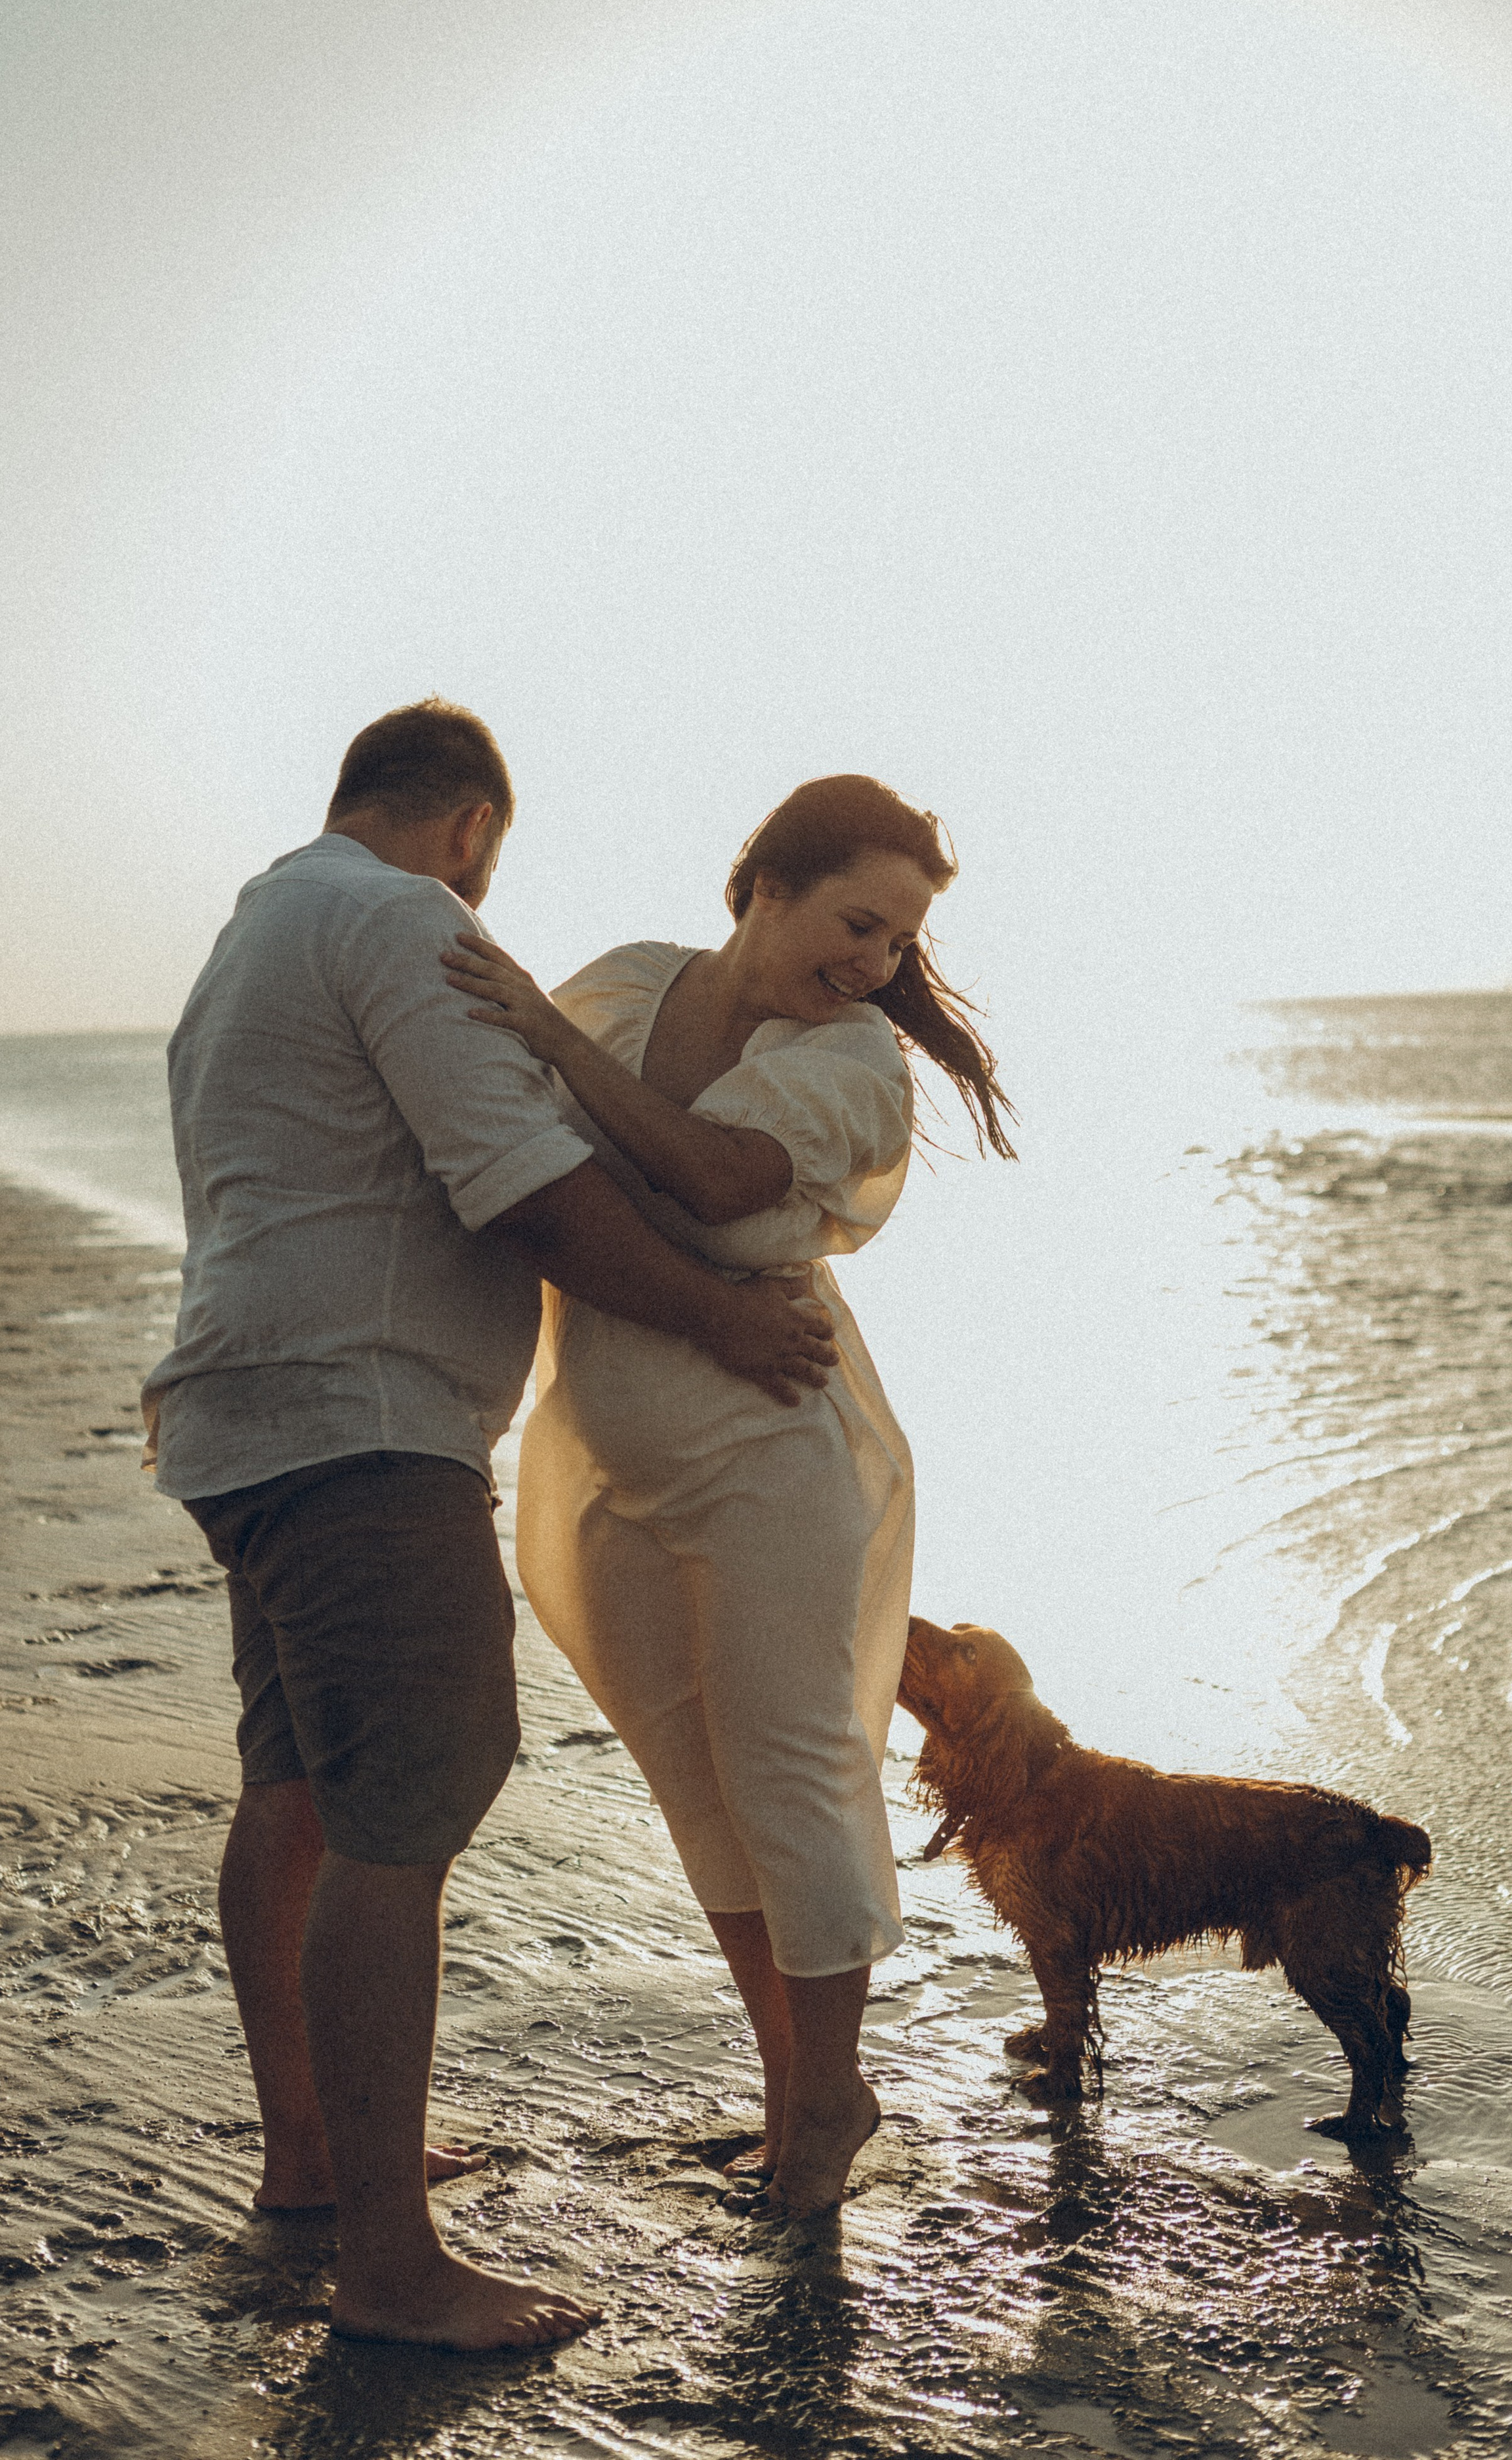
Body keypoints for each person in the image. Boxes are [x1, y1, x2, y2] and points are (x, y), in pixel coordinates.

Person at [142, 700, 837, 2352]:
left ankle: (314, 2156)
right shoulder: (401, 921)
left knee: (296, 1789)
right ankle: (389, 2266)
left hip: (250, 1416)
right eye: (487, 870)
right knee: (409, 1804)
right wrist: (722, 1319)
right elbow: (521, 1183)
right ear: (470, 829)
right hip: (368, 1428)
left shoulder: (252, 933)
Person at [441, 773, 1015, 2218]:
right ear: (764, 883)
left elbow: (707, 1176)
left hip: (775, 1449)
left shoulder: (851, 1060)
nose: (875, 964)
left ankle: (832, 2097)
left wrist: (548, 1038)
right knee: (698, 1788)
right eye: (858, 923)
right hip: (606, 1451)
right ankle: (796, 2087)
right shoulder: (629, 986)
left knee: (794, 1771)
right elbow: (510, 1145)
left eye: (898, 942)